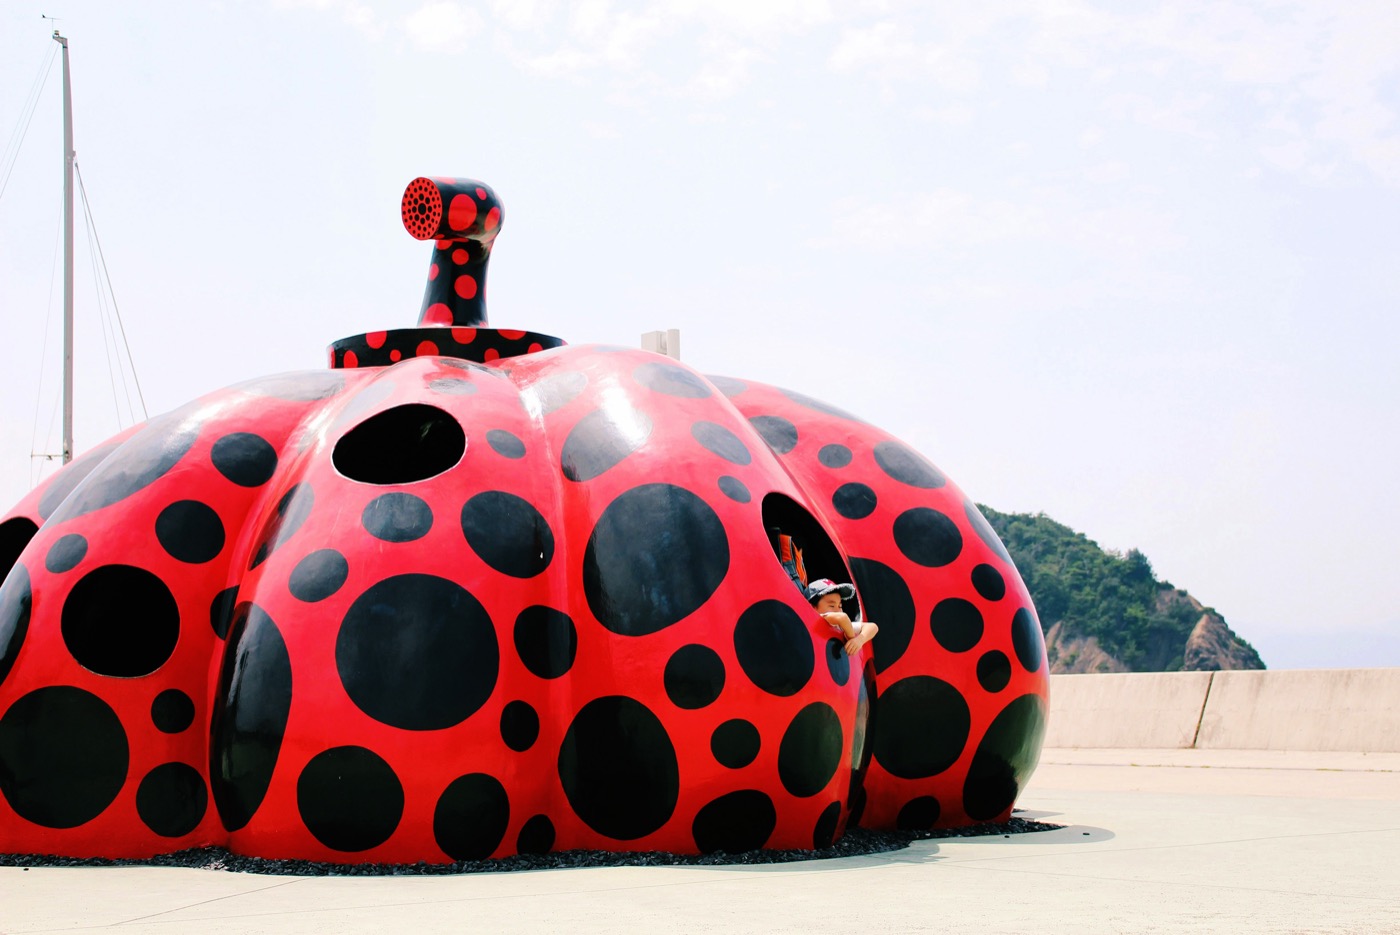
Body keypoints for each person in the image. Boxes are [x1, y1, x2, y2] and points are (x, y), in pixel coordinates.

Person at [805, 578, 878, 656]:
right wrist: (851, 637)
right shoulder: (819, 619)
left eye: (840, 606)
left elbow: (873, 627)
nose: (838, 610)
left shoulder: (839, 626)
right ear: (813, 607)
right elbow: (842, 617)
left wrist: (859, 640)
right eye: (832, 606)